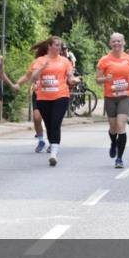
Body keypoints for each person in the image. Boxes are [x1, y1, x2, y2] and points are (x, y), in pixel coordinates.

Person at [23, 36, 79, 166]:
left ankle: (54, 153)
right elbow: (33, 78)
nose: (59, 48)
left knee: (55, 122)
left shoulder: (65, 61)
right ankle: (50, 143)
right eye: (56, 45)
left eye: (60, 46)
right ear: (49, 46)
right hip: (43, 97)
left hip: (61, 95)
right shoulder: (40, 60)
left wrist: (73, 80)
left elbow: (70, 77)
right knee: (48, 124)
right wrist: (43, 68)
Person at [95, 33, 129, 169]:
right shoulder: (104, 60)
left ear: (123, 43)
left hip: (125, 95)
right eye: (114, 41)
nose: (116, 44)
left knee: (121, 126)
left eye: (119, 41)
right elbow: (97, 79)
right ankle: (113, 142)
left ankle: (119, 158)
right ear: (110, 43)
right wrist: (105, 79)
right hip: (110, 97)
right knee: (113, 128)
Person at [12, 40, 49, 152]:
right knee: (37, 118)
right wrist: (18, 83)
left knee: (50, 120)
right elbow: (27, 76)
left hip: (52, 94)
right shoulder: (37, 62)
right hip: (38, 93)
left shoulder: (56, 61)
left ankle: (53, 141)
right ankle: (41, 140)